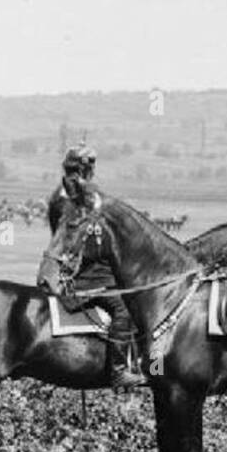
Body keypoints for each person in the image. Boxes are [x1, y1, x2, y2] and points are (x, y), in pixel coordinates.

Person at [45, 144, 148, 390]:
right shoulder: (71, 197)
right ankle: (119, 372)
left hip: (89, 268)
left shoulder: (69, 193)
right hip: (83, 276)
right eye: (89, 166)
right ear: (83, 168)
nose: (91, 171)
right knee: (124, 310)